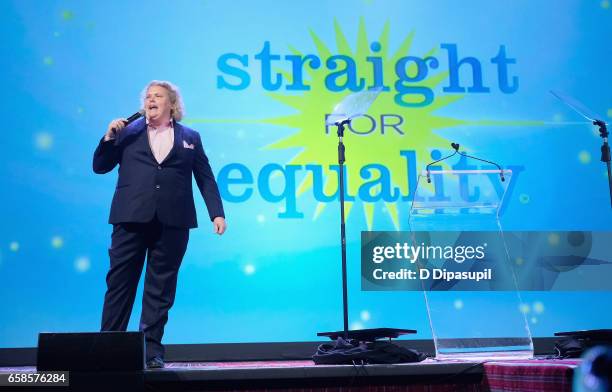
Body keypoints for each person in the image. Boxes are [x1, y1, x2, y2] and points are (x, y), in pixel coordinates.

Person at [93, 80, 226, 369]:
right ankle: (108, 347)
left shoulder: (190, 137)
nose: (151, 99)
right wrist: (107, 138)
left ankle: (150, 351)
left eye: (158, 96)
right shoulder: (127, 133)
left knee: (160, 289)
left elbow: (205, 176)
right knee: (120, 284)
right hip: (130, 218)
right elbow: (100, 166)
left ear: (172, 105)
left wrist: (216, 213)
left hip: (173, 222)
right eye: (148, 96)